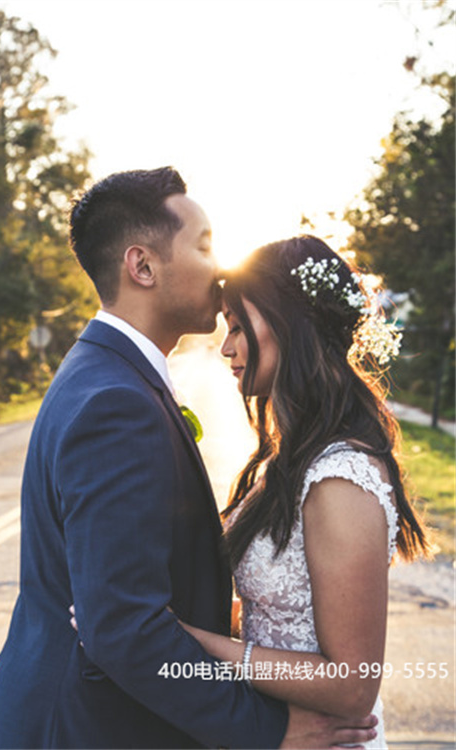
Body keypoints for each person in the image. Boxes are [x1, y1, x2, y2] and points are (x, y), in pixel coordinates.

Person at [0, 170, 377, 750]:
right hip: (82, 729)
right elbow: (126, 629)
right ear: (143, 266)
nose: (219, 265)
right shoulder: (116, 402)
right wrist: (270, 732)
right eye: (204, 245)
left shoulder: (104, 374)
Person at [174, 235, 431, 749]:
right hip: (275, 731)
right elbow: (270, 614)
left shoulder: (340, 478)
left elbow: (354, 684)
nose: (227, 346)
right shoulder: (287, 458)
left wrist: (189, 643)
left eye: (237, 323)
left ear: (290, 322)